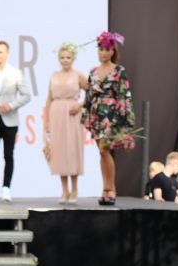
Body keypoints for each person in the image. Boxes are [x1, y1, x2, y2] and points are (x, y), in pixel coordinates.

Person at [82, 31, 135, 206]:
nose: (103, 53)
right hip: (97, 114)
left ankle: (110, 188)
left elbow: (124, 95)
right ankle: (105, 188)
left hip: (112, 115)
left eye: (107, 49)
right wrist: (85, 115)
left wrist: (126, 118)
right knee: (101, 152)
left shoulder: (119, 71)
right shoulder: (93, 71)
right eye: (101, 49)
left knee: (105, 150)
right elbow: (89, 95)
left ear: (113, 51)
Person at [43, 43, 88, 204]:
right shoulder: (53, 75)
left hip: (73, 115)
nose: (65, 60)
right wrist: (46, 121)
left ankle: (74, 189)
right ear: (58, 59)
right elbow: (49, 99)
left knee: (72, 150)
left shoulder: (78, 75)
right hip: (56, 114)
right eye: (62, 57)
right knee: (59, 151)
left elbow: (92, 93)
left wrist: (80, 105)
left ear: (73, 58)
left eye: (68, 57)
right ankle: (64, 190)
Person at [0, 40, 31, 202]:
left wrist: (10, 105)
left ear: (7, 53)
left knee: (8, 154)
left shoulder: (15, 73)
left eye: (1, 52)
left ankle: (6, 188)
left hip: (10, 120)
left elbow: (26, 95)